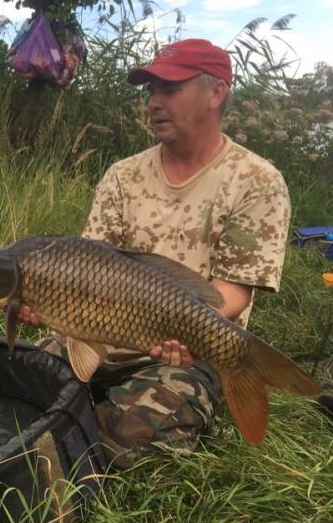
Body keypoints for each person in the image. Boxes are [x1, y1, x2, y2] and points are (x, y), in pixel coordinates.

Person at [23, 38, 291, 468]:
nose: (154, 103)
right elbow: (88, 267)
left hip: (192, 348)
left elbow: (233, 293)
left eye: (170, 89)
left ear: (216, 92)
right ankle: (83, 406)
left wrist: (189, 331)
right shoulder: (122, 175)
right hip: (98, 333)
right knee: (15, 381)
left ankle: (126, 413)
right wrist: (46, 302)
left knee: (131, 437)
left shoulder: (256, 180)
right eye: (151, 91)